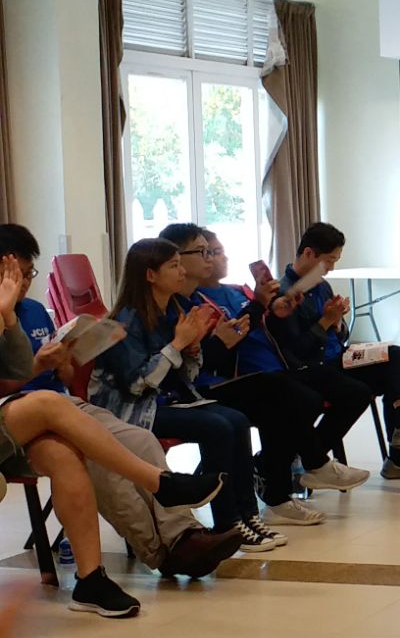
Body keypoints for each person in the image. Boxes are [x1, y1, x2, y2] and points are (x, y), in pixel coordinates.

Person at [0, 225, 241, 579]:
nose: (22, 283)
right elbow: (13, 379)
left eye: (27, 273)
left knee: (139, 438)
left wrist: (63, 362)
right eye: (15, 274)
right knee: (91, 455)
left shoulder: (33, 310)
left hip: (58, 405)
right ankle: (163, 551)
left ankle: (184, 534)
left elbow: (60, 376)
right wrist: (31, 358)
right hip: (21, 416)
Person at [168, 224, 371, 527]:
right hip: (231, 380)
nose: (215, 258)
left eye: (215, 252)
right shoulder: (188, 302)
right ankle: (307, 468)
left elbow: (264, 329)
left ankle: (283, 482)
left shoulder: (236, 291)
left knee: (329, 394)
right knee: (289, 399)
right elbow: (211, 357)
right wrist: (244, 321)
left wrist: (276, 310)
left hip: (276, 368)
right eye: (206, 252)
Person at [92, 238, 283, 551]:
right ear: (150, 275)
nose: (182, 272)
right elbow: (138, 385)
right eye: (174, 266)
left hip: (167, 400)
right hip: (132, 410)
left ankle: (248, 514)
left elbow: (186, 376)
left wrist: (192, 350)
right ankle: (227, 522)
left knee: (236, 420)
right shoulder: (123, 323)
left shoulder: (171, 311)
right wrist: (178, 344)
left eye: (181, 264)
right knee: (217, 427)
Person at [272, 222, 400, 480]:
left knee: (395, 356)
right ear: (308, 253)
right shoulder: (284, 295)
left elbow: (340, 336)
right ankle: (307, 456)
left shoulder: (321, 286)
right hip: (314, 369)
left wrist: (337, 323)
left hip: (339, 358)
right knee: (359, 391)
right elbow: (297, 352)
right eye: (328, 260)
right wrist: (325, 322)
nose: (330, 268)